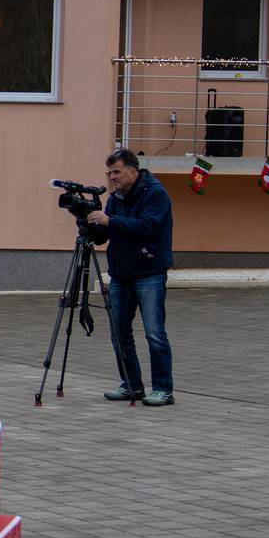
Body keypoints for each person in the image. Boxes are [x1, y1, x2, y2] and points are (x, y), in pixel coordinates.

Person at [86, 148, 175, 406]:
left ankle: (163, 389)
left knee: (154, 333)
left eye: (116, 171)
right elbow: (107, 233)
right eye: (109, 172)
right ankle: (132, 385)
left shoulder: (155, 194)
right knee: (119, 332)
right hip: (121, 274)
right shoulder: (116, 198)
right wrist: (89, 221)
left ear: (132, 171)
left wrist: (110, 221)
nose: (111, 177)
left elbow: (147, 227)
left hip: (149, 273)